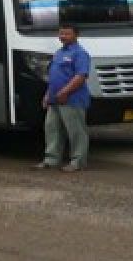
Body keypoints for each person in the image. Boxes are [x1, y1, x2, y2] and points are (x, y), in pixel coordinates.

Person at [35, 23, 92, 173]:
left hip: (72, 100)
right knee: (52, 129)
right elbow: (53, 76)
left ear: (76, 35)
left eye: (67, 34)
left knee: (76, 131)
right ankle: (51, 159)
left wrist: (65, 92)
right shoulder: (59, 53)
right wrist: (48, 95)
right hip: (55, 99)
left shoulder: (80, 53)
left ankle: (78, 162)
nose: (63, 36)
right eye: (61, 33)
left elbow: (81, 76)